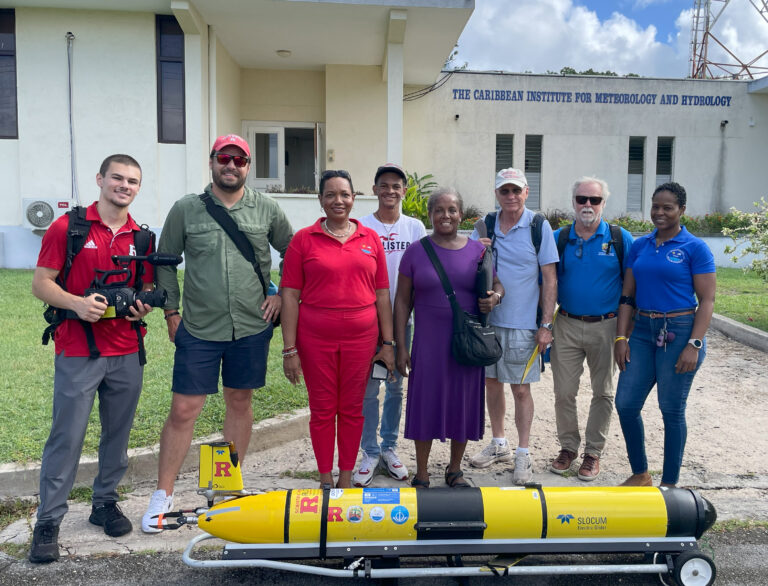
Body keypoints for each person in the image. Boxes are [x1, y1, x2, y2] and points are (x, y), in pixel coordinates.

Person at [142, 135, 293, 532]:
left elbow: (295, 253)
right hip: (198, 327)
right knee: (183, 410)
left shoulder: (267, 209)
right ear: (212, 162)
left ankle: (228, 491)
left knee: (240, 402)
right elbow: (165, 261)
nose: (231, 165)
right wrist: (170, 311)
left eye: (239, 160)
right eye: (224, 158)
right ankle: (163, 494)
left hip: (251, 325)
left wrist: (278, 295)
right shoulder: (186, 210)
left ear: (248, 166)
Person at [30, 154, 154, 563]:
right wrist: (78, 304)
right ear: (100, 179)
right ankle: (48, 520)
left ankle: (104, 503)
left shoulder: (142, 237)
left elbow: (145, 289)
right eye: (117, 178)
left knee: (117, 437)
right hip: (78, 349)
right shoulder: (69, 227)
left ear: (138, 187)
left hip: (126, 350)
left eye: (132, 181)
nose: (125, 185)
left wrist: (142, 307)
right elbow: (41, 283)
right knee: (67, 437)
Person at [280, 170, 395, 489]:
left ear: (354, 197)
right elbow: (289, 295)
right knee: (322, 409)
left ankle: (346, 477)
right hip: (315, 339)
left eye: (344, 194)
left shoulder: (370, 238)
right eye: (330, 195)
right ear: (320, 200)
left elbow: (382, 294)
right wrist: (289, 349)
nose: (338, 201)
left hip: (361, 339)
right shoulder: (303, 239)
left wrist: (388, 343)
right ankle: (324, 477)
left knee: (352, 409)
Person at [395, 187, 504, 489]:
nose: (446, 215)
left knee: (463, 402)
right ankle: (422, 472)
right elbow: (403, 302)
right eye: (439, 210)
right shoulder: (416, 251)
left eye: (452, 209)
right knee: (424, 403)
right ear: (429, 215)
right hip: (428, 344)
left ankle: (455, 470)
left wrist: (495, 297)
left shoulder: (477, 250)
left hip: (465, 343)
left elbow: (496, 283)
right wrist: (401, 346)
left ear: (460, 214)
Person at [614, 182, 716, 488]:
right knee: (627, 404)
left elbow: (707, 300)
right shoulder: (640, 246)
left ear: (681, 210)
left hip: (681, 332)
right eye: (655, 206)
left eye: (667, 207)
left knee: (671, 409)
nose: (659, 212)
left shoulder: (694, 248)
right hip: (643, 332)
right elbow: (627, 296)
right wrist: (621, 338)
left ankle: (670, 485)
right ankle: (641, 474)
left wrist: (694, 344)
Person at [468, 168, 558, 485]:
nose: (510, 196)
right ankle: (499, 443)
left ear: (526, 192)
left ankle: (523, 453)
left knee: (520, 390)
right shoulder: (484, 224)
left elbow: (550, 278)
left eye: (516, 190)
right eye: (504, 191)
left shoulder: (537, 225)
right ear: (497, 194)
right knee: (492, 385)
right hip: (489, 323)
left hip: (523, 325)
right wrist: (473, 249)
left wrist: (546, 324)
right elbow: (467, 269)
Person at [549, 177, 634, 481]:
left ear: (603, 204)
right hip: (567, 323)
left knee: (604, 392)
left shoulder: (620, 238)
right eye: (582, 199)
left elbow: (632, 285)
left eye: (594, 200)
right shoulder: (559, 238)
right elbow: (547, 282)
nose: (587, 205)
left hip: (607, 326)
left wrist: (627, 331)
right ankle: (568, 448)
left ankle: (593, 453)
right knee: (564, 392)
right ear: (573, 201)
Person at [353, 163, 427, 487]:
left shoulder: (415, 227)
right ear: (374, 190)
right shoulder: (361, 226)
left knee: (396, 385)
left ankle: (389, 447)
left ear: (404, 192)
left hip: (403, 320)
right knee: (370, 388)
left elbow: (425, 271)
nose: (390, 191)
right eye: (384, 186)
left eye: (396, 186)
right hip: (368, 320)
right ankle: (368, 452)